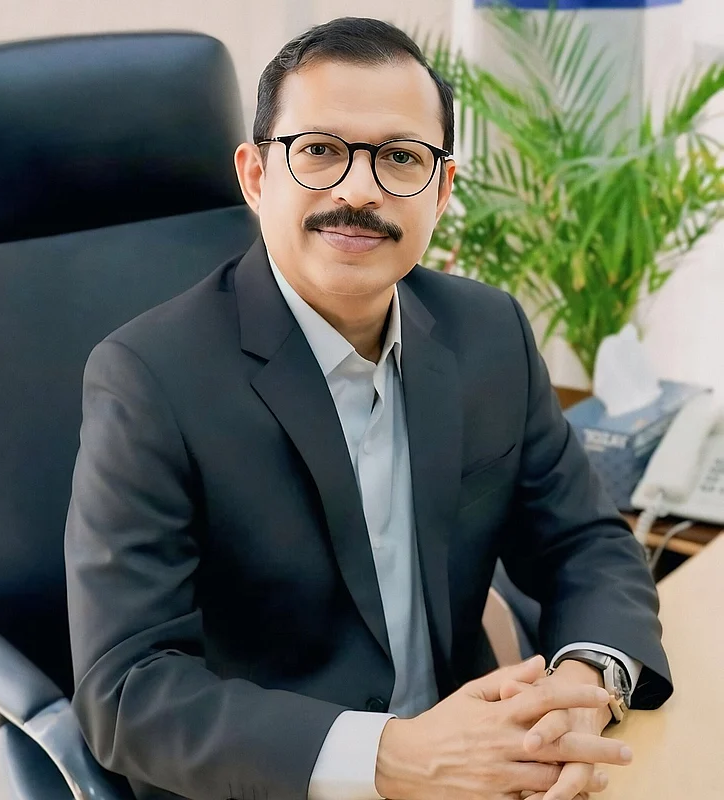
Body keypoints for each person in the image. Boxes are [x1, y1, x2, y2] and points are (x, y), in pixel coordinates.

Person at [64, 17, 672, 800]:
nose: (358, 191)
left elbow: (584, 542)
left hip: (485, 772)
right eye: (319, 150)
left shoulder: (489, 332)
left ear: (441, 190)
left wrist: (586, 684)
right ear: (256, 176)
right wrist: (392, 756)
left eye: (401, 157)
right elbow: (127, 693)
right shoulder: (148, 379)